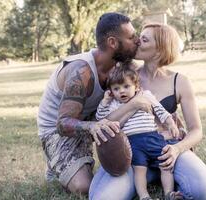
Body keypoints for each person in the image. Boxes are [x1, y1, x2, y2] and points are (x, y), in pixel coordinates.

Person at [97, 23, 206, 199]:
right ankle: (145, 178)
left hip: (166, 150)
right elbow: (105, 122)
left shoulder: (180, 81)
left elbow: (196, 130)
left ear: (160, 50)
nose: (137, 41)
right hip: (132, 153)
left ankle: (164, 179)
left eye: (144, 39)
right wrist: (133, 105)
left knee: (204, 191)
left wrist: (176, 149)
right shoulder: (125, 78)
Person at [37, 12, 141, 196]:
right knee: (84, 187)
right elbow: (62, 124)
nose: (138, 40)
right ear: (112, 43)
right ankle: (55, 163)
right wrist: (93, 127)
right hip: (58, 131)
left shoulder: (119, 66)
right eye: (132, 37)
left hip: (91, 121)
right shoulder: (81, 71)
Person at [96, 64, 183, 200]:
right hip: (132, 142)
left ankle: (169, 193)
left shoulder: (145, 95)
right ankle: (144, 196)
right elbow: (101, 119)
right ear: (111, 91)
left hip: (152, 137)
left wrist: (171, 123)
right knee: (139, 170)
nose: (122, 91)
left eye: (126, 86)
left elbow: (160, 111)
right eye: (116, 89)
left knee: (165, 165)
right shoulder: (114, 104)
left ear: (136, 86)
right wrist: (105, 101)